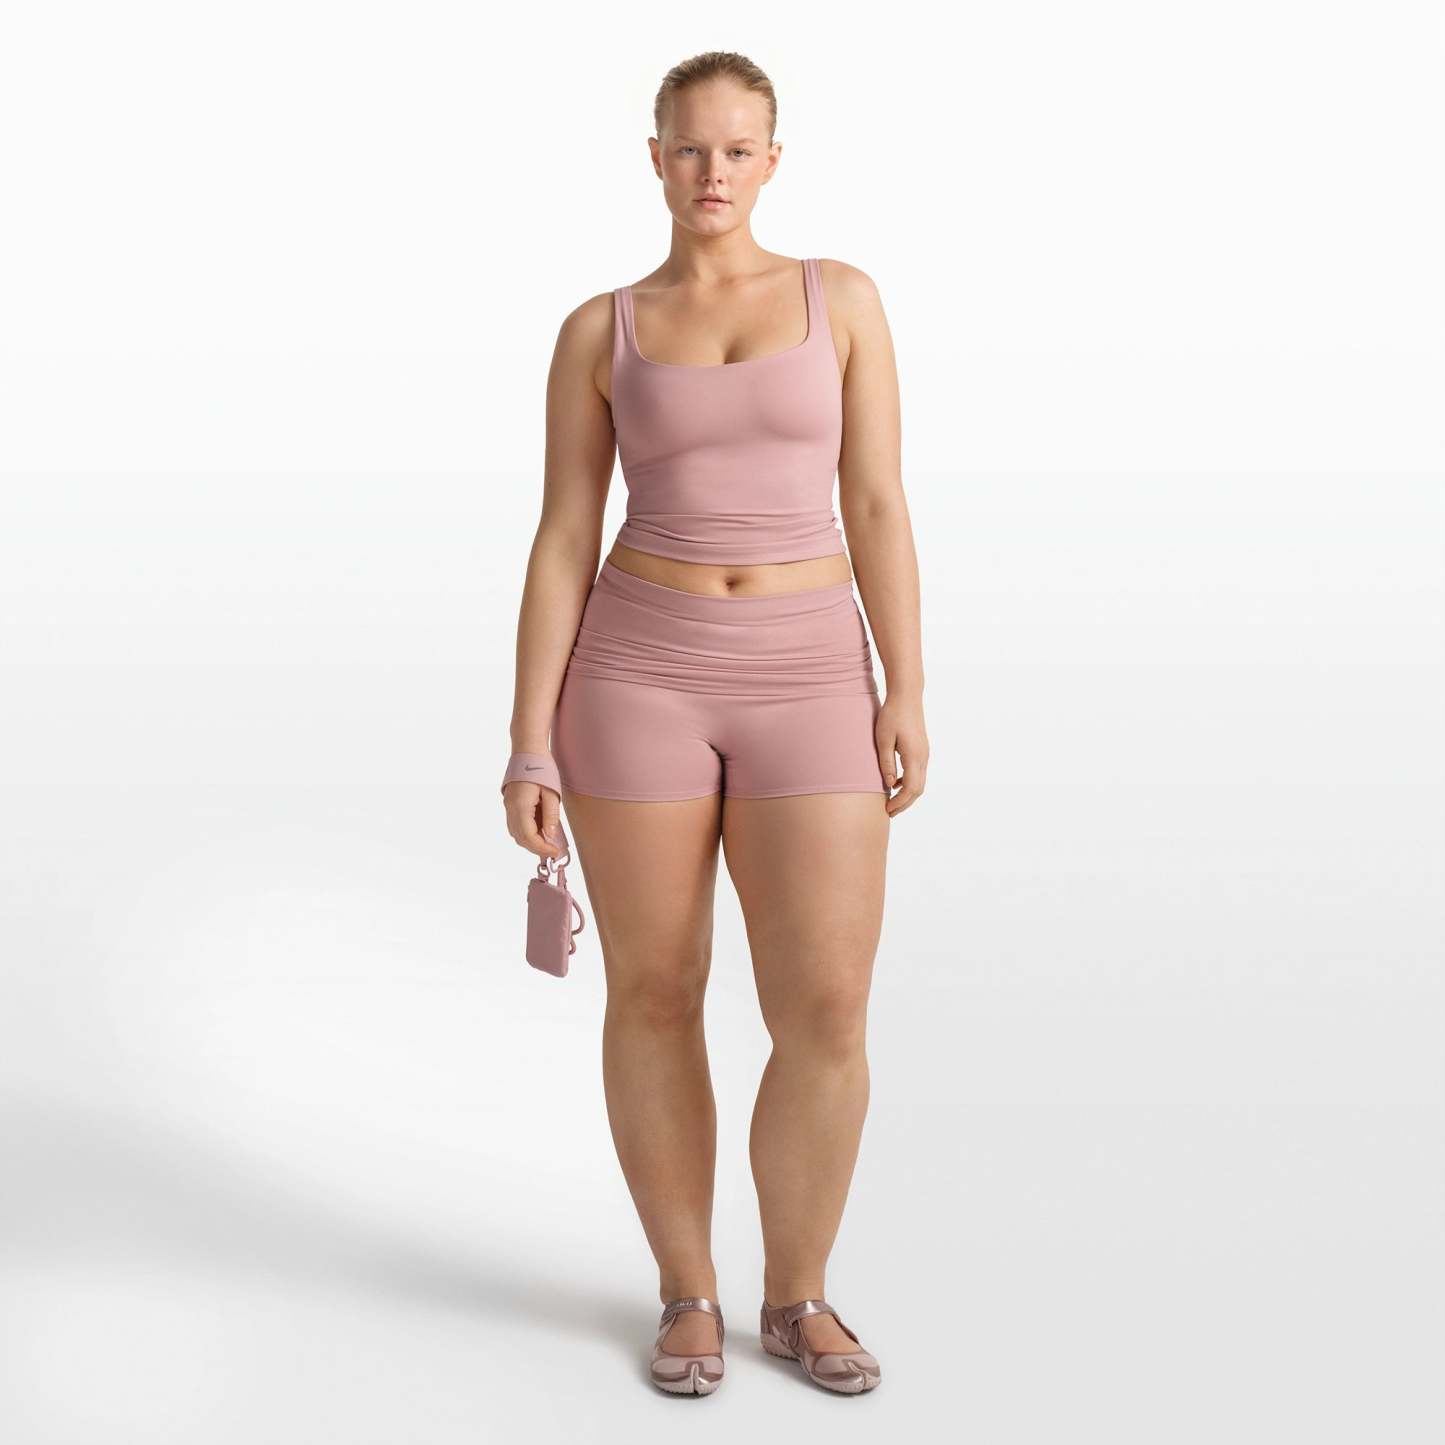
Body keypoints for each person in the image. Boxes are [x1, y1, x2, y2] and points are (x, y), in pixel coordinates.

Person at [501, 50, 927, 1397]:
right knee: (653, 989)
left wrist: (905, 687)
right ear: (654, 158)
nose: (713, 173)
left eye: (738, 149)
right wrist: (526, 739)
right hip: (636, 676)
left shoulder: (840, 300)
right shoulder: (601, 328)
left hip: (810, 674)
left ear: (773, 161)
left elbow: (876, 502)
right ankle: (687, 1292)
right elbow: (564, 536)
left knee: (826, 1006)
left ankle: (797, 1295)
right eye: (690, 148)